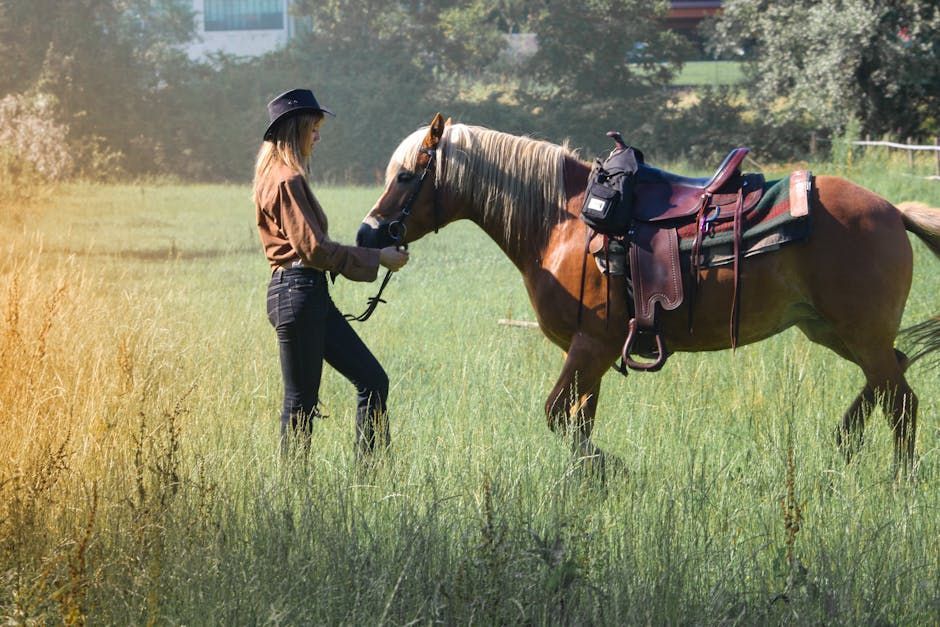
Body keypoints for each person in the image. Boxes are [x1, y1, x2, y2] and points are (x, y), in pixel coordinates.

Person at [253, 88, 409, 457]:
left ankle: (368, 476)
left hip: (305, 293)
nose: (318, 136)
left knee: (371, 380)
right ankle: (294, 493)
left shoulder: (278, 176)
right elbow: (314, 249)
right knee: (300, 403)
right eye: (314, 128)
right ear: (296, 129)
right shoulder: (286, 180)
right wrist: (378, 259)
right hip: (298, 293)